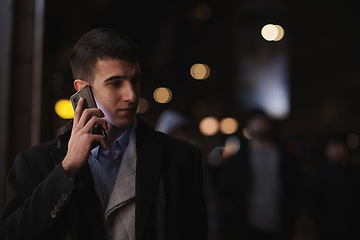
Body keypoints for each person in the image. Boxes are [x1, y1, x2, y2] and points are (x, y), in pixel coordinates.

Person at [0, 28, 208, 240]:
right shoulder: (33, 163)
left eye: (135, 80)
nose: (131, 95)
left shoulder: (182, 158)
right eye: (115, 83)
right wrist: (67, 167)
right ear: (83, 89)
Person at [217, 110, 303, 240]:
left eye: (263, 121)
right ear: (248, 125)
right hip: (247, 226)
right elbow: (226, 189)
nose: (259, 124)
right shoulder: (238, 159)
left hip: (280, 224)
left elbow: (297, 186)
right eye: (255, 121)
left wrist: (293, 215)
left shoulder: (285, 156)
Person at [307, 134, 360, 240]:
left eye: (339, 146)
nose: (336, 150)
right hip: (327, 231)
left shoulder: (355, 174)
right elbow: (312, 203)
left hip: (353, 230)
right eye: (332, 146)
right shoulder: (320, 174)